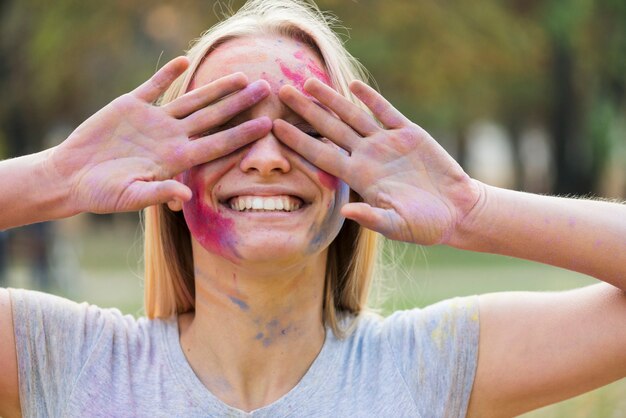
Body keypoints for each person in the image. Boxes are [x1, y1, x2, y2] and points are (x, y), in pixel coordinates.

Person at [0, 0, 624, 417]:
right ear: (168, 174)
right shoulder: (67, 358)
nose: (268, 158)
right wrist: (55, 177)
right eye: (231, 126)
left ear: (355, 173)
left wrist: (471, 209)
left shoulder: (427, 366)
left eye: (306, 127)